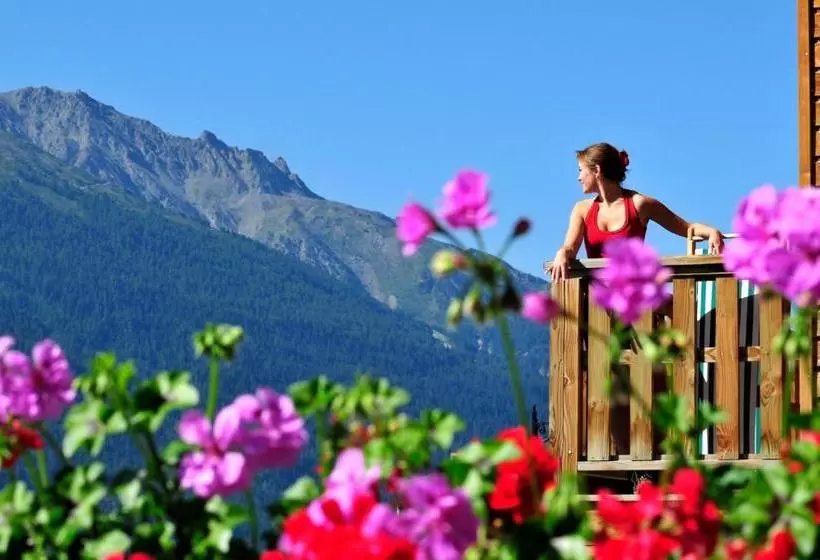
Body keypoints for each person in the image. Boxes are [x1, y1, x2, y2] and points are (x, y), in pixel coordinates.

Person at [549, 143, 724, 282]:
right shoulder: (582, 209)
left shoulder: (640, 204)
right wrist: (562, 253)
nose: (578, 177)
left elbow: (686, 229)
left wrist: (711, 232)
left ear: (596, 170)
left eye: (581, 170)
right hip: (598, 304)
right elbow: (570, 248)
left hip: (634, 298)